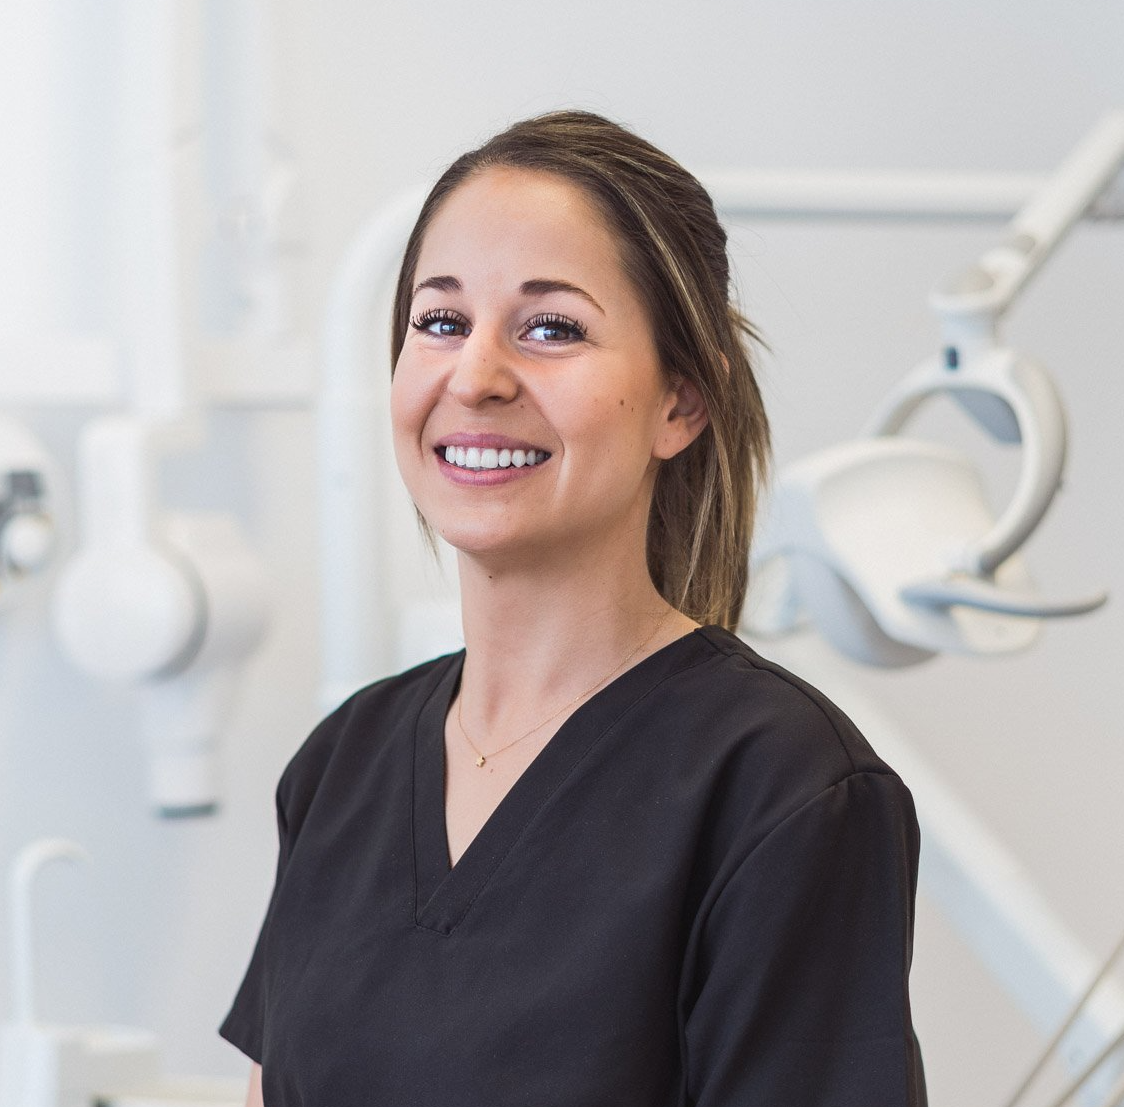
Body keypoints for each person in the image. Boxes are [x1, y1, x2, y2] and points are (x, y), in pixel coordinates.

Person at [221, 110, 927, 1106]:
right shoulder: (343, 764)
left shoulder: (778, 785)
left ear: (681, 402)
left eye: (551, 328)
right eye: (440, 322)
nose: (475, 376)